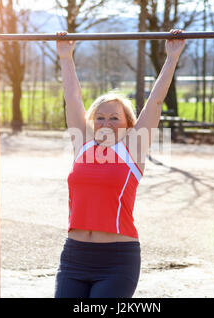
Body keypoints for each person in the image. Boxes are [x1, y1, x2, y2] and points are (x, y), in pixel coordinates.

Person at [54, 29, 185, 298]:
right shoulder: (83, 145)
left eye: (114, 118)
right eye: (100, 117)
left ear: (128, 123)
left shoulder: (133, 149)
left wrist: (172, 57)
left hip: (117, 259)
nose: (106, 123)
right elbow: (73, 98)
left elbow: (155, 102)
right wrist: (66, 57)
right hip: (74, 255)